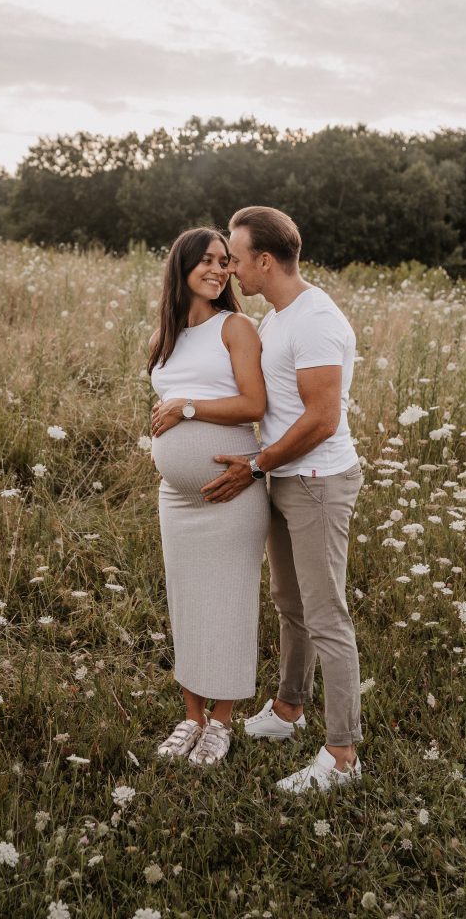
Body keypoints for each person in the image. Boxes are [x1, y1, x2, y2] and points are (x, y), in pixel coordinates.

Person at [200, 206, 364, 794]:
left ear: (265, 261)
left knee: (326, 616)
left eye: (237, 259)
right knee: (289, 603)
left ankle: (343, 757)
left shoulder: (315, 320)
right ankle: (289, 711)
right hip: (286, 478)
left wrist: (256, 464)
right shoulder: (277, 317)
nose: (231, 269)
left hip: (318, 482)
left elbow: (322, 419)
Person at [148, 227, 270, 766]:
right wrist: (165, 430)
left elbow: (254, 404)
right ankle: (192, 717)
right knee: (187, 602)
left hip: (230, 492)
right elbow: (164, 401)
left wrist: (188, 409)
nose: (219, 270)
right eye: (208, 260)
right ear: (183, 266)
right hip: (177, 498)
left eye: (225, 262)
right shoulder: (167, 335)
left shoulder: (235, 327)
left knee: (230, 603)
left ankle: (221, 723)